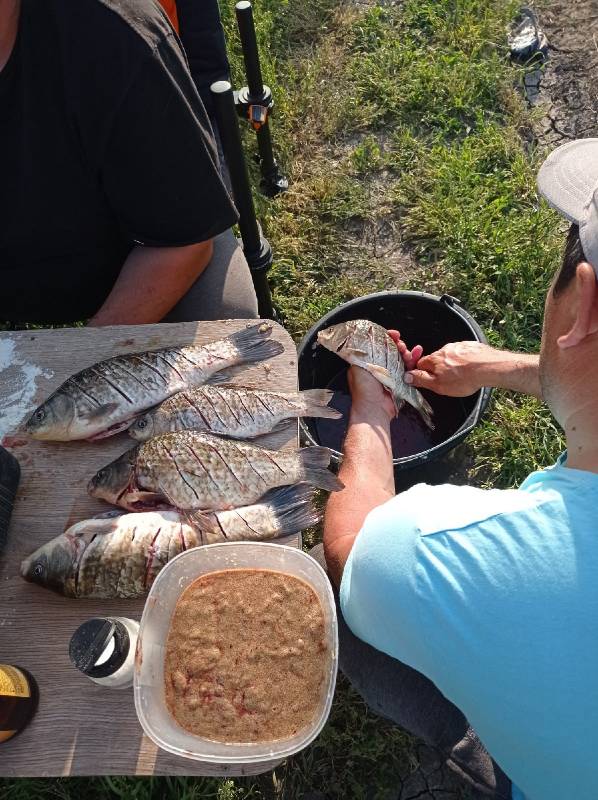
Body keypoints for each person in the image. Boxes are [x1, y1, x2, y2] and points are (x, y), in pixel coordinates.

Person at [320, 138, 598, 800]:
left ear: (581, 305)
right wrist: (506, 368)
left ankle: (473, 750)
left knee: (354, 615)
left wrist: (370, 411)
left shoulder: (440, 549)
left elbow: (349, 547)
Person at [0, 0, 258, 327]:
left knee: (223, 322)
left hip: (133, 254)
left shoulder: (115, 35)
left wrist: (86, 361)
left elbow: (184, 242)